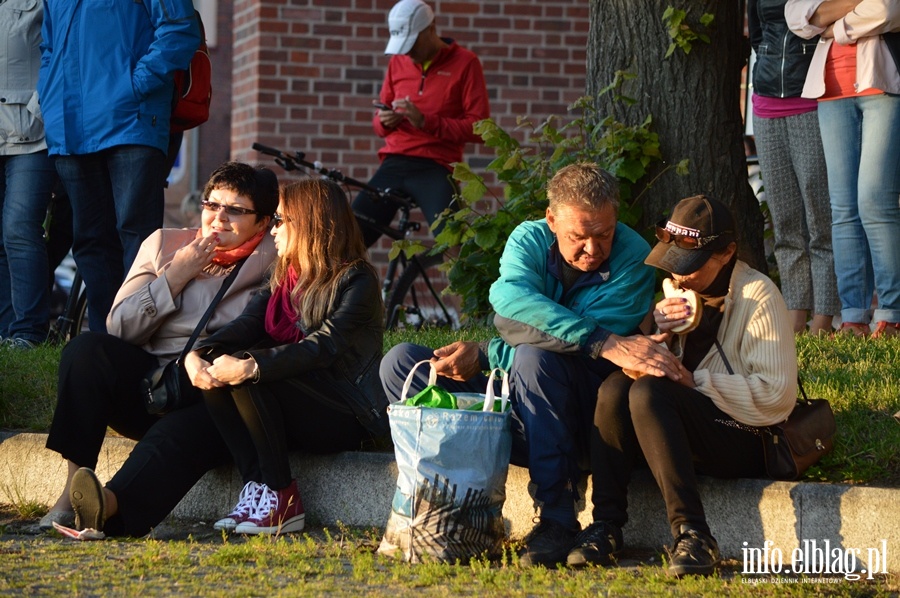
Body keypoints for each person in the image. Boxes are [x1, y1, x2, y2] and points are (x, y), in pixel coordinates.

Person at [380, 162, 678, 567]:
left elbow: (545, 342)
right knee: (401, 363)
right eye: (579, 237)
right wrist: (596, 340)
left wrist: (494, 349)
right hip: (521, 413)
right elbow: (509, 310)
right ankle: (453, 508)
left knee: (538, 355)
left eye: (604, 234)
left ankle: (557, 518)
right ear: (551, 220)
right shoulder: (528, 238)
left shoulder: (634, 259)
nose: (593, 249)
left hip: (582, 420)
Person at [39, 162, 278, 534]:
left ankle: (107, 510)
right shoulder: (165, 244)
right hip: (152, 385)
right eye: (211, 205)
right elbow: (119, 327)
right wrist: (175, 276)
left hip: (212, 397)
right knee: (85, 351)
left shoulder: (274, 264)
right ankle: (72, 492)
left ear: (262, 223)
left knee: (181, 433)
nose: (218, 219)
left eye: (235, 210)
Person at [585, 195, 797, 577]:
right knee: (617, 388)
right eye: (672, 264)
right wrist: (654, 336)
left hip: (744, 433)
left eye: (690, 265)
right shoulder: (675, 292)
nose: (679, 276)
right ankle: (606, 525)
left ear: (727, 252)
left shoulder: (757, 295)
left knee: (651, 392)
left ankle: (694, 534)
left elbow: (776, 396)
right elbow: (657, 372)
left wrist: (693, 380)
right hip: (681, 429)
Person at [182, 178, 389, 535]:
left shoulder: (356, 280)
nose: (273, 229)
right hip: (301, 403)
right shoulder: (284, 276)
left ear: (309, 223)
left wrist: (252, 365)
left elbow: (324, 347)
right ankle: (256, 487)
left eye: (280, 220)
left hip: (348, 411)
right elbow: (245, 325)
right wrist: (197, 354)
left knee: (251, 371)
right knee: (221, 369)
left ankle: (282, 495)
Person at [37, 0, 201, 333]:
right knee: (91, 241)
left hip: (130, 124)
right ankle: (103, 341)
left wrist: (134, 86)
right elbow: (49, 47)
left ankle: (141, 341)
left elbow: (181, 28)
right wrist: (50, 97)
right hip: (70, 129)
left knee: (139, 240)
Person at [786, 0, 900, 338]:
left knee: (875, 203)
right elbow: (797, 17)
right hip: (830, 91)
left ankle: (892, 314)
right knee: (843, 209)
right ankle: (853, 316)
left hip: (882, 86)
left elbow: (887, 10)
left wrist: (832, 25)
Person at [352, 0, 490, 247]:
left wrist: (425, 122)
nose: (407, 52)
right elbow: (378, 124)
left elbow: (480, 128)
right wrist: (386, 122)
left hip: (436, 165)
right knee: (350, 237)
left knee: (455, 247)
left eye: (412, 44)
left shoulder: (466, 63)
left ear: (431, 28)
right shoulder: (397, 62)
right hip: (395, 161)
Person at [748, 0, 840, 336]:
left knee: (821, 216)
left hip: (812, 101)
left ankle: (824, 318)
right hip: (766, 103)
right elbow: (758, 36)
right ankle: (795, 317)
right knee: (784, 220)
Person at [0, 0, 57, 349]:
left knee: (19, 228)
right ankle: (6, 333)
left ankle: (28, 333)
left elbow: (61, 49)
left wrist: (40, 110)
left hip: (32, 136)